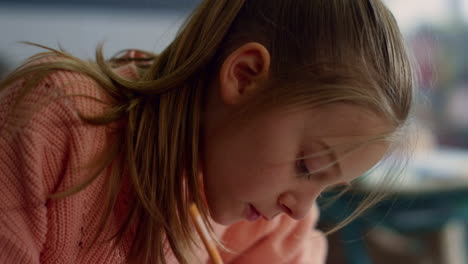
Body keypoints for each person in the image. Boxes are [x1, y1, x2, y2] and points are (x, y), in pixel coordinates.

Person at [0, 0, 414, 263]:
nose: (302, 210)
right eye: (307, 165)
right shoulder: (55, 122)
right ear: (245, 75)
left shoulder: (267, 220)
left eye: (326, 187)